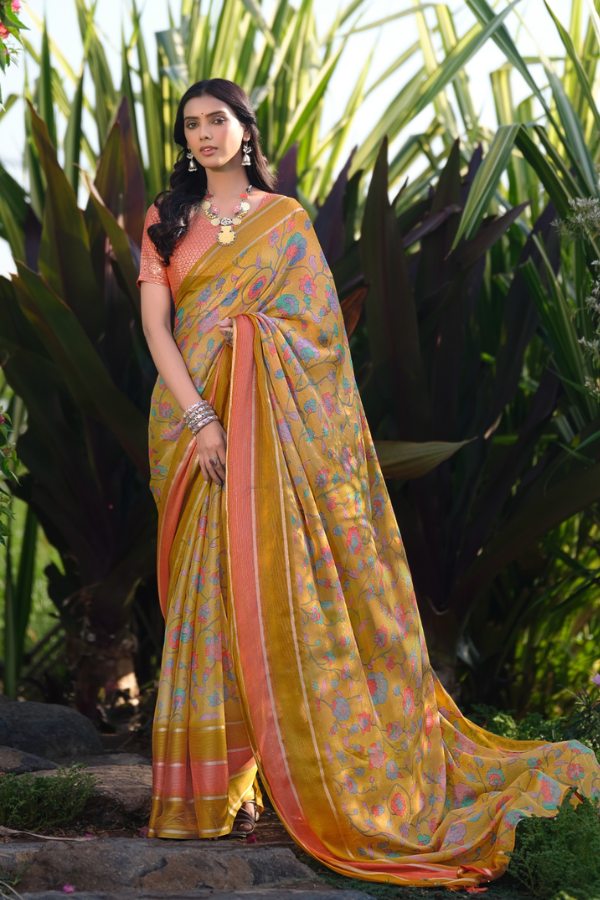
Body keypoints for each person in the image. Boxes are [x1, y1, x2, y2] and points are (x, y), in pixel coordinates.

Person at [137, 78, 600, 889]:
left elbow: (319, 338)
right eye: (191, 125)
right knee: (210, 591)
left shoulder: (284, 222)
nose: (203, 134)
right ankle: (218, 792)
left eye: (217, 120)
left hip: (275, 429)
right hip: (191, 420)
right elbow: (156, 325)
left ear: (246, 129)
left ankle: (290, 776)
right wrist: (202, 418)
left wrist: (251, 357)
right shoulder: (167, 218)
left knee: (271, 587)